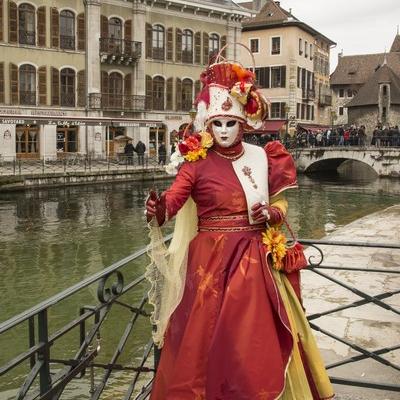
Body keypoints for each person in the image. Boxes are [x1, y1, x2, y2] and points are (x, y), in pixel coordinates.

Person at [145, 56, 334, 400]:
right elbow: (173, 201)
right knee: (206, 342)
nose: (223, 131)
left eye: (230, 124)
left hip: (255, 262)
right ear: (208, 124)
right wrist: (159, 211)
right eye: (217, 124)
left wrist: (271, 217)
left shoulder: (262, 156)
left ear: (243, 123)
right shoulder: (195, 163)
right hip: (209, 265)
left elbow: (280, 205)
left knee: (253, 338)